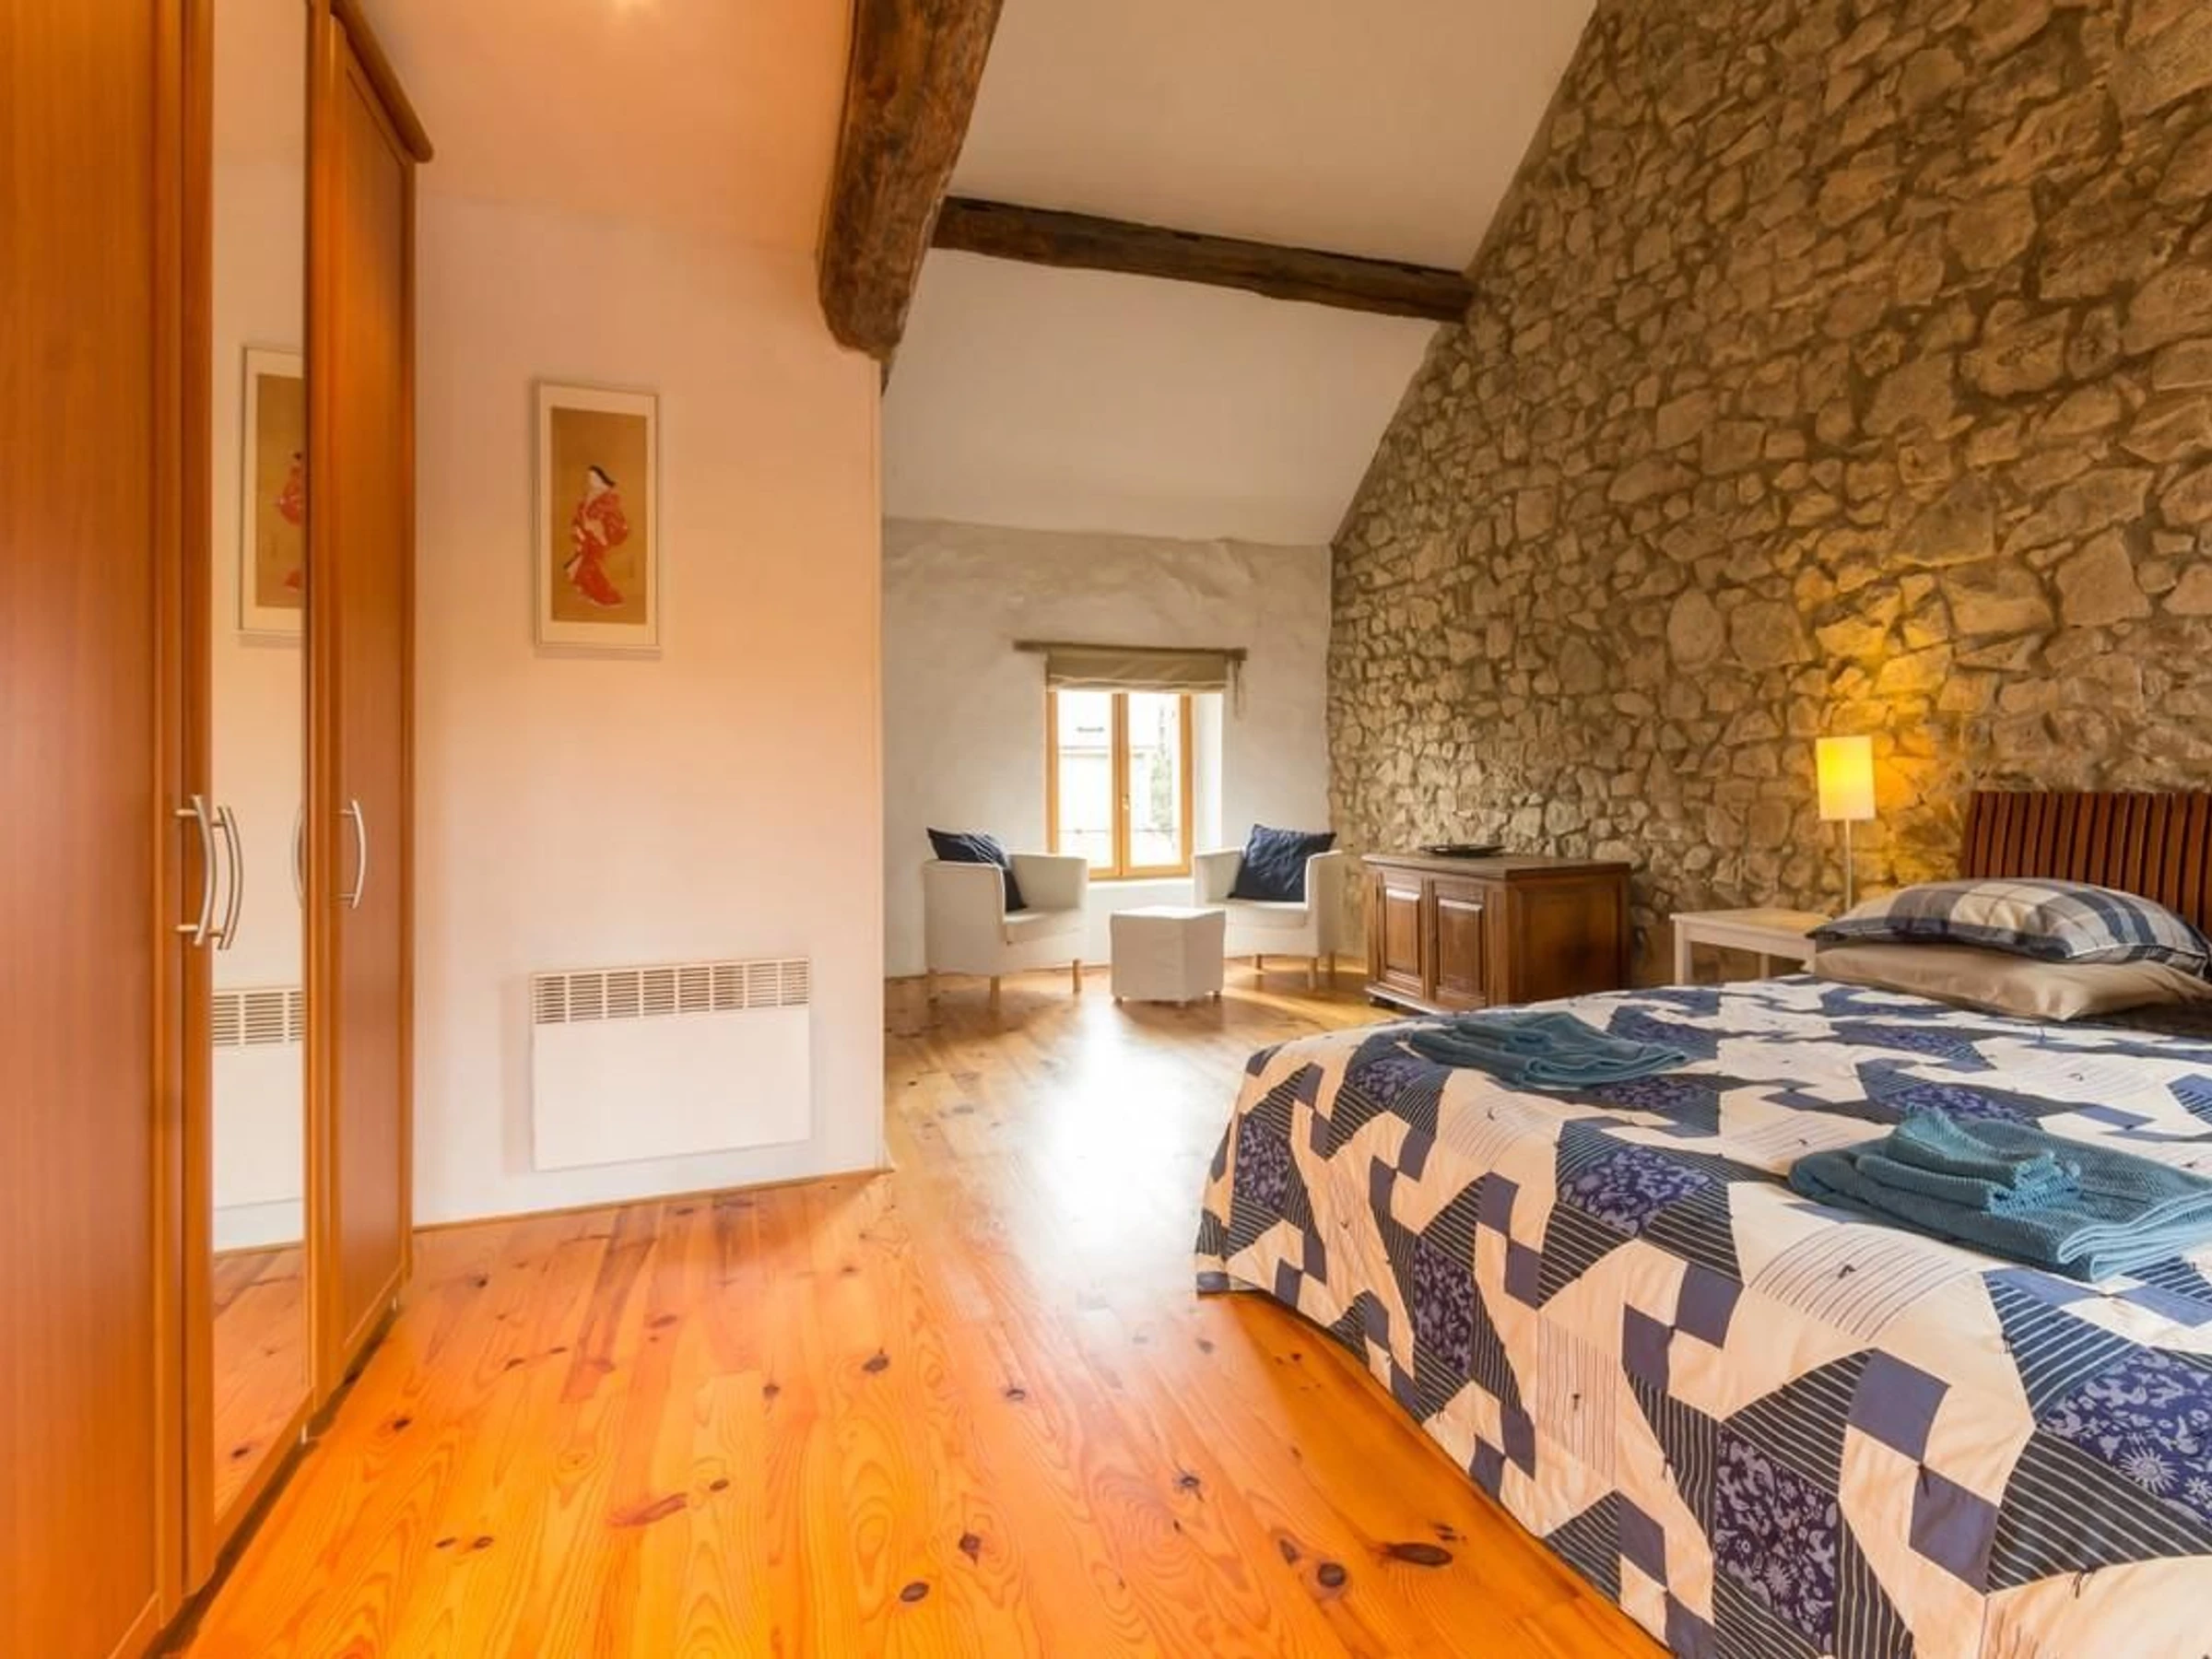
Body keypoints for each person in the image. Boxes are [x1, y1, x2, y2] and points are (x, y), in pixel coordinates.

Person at [564, 464, 629, 608]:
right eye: (590, 477)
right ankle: (593, 594)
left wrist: (597, 527)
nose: (591, 480)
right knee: (584, 566)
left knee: (588, 567)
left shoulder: (609, 498)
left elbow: (612, 518)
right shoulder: (588, 496)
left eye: (594, 477)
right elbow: (580, 516)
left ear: (602, 479)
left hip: (598, 538)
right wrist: (579, 528)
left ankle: (606, 597)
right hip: (586, 537)